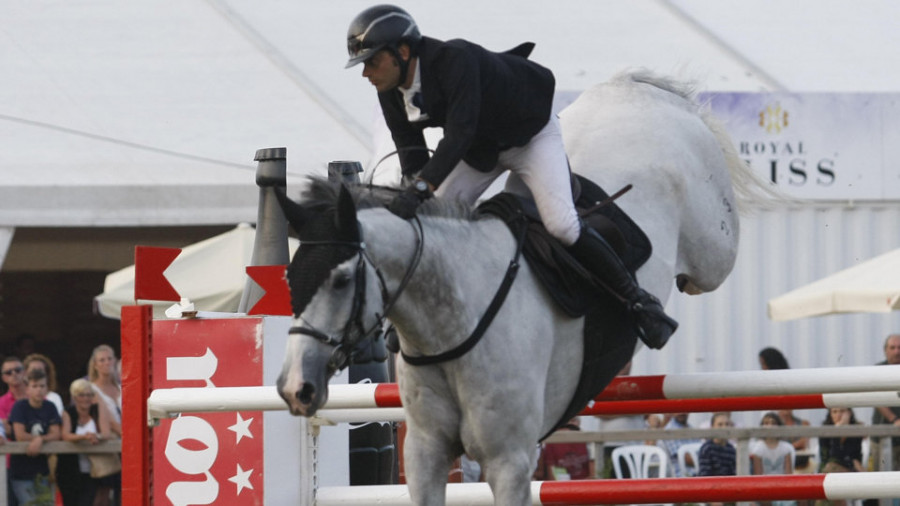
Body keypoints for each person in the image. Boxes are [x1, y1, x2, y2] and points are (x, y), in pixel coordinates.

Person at [344, 4, 677, 350]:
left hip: (529, 136)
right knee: (431, 220)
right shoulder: (388, 92)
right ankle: (415, 310)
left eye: (371, 61)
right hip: (482, 148)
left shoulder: (453, 59)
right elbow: (410, 150)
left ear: (401, 51)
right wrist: (414, 194)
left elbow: (458, 135)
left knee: (561, 224)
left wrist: (421, 189)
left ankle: (638, 302)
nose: (366, 72)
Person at [57, 378, 114, 506]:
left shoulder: (98, 410)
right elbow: (65, 435)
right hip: (70, 470)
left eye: (89, 395)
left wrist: (96, 436)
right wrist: (84, 437)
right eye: (81, 395)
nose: (86, 398)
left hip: (95, 470)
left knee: (91, 501)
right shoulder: (68, 412)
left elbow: (106, 433)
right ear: (75, 397)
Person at [8, 369, 61, 506]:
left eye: (42, 386)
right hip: (21, 471)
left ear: (47, 388)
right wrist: (37, 439)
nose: (39, 390)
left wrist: (40, 439)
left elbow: (56, 433)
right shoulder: (19, 407)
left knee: (47, 504)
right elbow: (19, 435)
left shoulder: (50, 407)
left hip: (44, 470)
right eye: (35, 386)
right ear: (27, 389)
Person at [870, 333, 900, 472]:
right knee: (879, 480)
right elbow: (875, 398)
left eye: (899, 347)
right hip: (881, 435)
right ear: (885, 351)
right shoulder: (878, 370)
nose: (897, 351)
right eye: (892, 347)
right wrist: (894, 419)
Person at [1, 356, 27, 506]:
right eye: (9, 372)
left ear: (24, 372)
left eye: (17, 370)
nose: (14, 374)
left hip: (36, 462)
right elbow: (4, 431)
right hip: (9, 464)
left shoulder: (37, 398)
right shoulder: (1, 403)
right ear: (4, 378)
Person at [88, 345, 122, 437]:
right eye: (102, 360)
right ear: (95, 364)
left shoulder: (122, 388)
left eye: (110, 359)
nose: (107, 362)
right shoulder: (92, 389)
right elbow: (109, 421)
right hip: (110, 439)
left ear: (114, 360)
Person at [819, 407, 864, 473]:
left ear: (849, 413)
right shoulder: (824, 432)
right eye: (835, 412)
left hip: (850, 470)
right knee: (831, 467)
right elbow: (832, 458)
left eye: (842, 411)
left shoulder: (856, 430)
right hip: (829, 470)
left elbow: (856, 458)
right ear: (830, 414)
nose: (838, 415)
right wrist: (837, 431)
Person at [659, 412, 702, 477]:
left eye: (684, 408)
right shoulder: (670, 430)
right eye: (678, 409)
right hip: (683, 476)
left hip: (698, 473)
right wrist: (707, 462)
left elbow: (701, 452)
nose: (681, 412)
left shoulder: (691, 428)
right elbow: (686, 458)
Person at [698, 412, 736, 477]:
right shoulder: (707, 449)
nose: (724, 427)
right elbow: (705, 475)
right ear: (712, 427)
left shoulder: (731, 449)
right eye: (720, 425)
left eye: (727, 424)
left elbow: (734, 473)